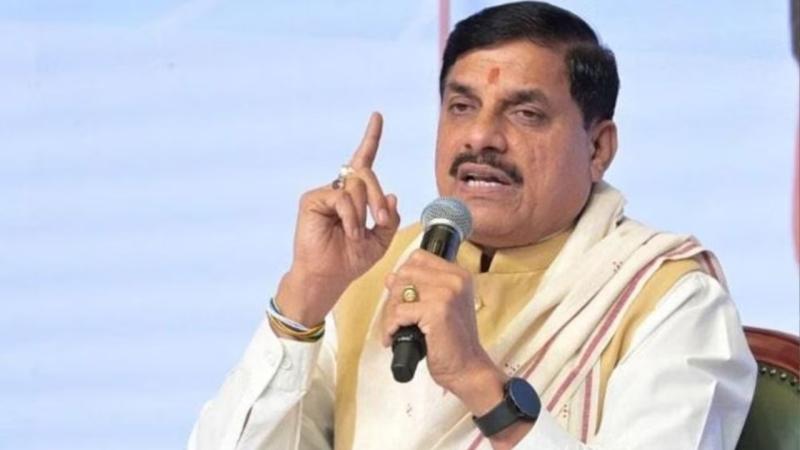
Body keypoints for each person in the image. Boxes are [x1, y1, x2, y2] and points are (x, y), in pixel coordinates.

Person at [188, 2, 756, 449]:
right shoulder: (374, 271)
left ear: (598, 148)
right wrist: (304, 300)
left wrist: (478, 380)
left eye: (525, 113)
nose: (481, 136)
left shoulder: (667, 297)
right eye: (461, 107)